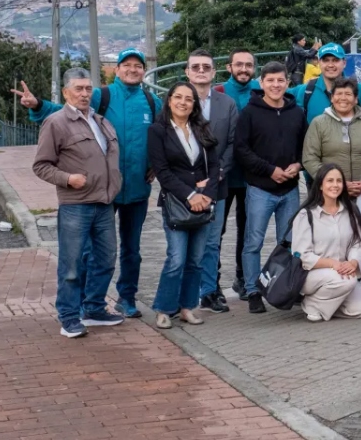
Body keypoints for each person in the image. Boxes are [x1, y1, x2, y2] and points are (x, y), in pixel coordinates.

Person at [15, 48, 160, 319]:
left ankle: (126, 297)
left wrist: (157, 165)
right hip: (99, 192)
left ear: (144, 71)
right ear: (116, 70)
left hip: (138, 189)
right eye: (126, 64)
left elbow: (164, 135)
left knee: (132, 249)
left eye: (138, 65)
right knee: (92, 251)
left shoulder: (152, 102)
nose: (132, 69)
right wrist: (37, 106)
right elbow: (66, 112)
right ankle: (81, 301)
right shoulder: (100, 95)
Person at [31, 68, 125, 338]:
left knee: (106, 259)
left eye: (88, 89)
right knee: (72, 265)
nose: (85, 94)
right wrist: (67, 178)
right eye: (79, 89)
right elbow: (40, 166)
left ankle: (94, 308)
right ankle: (69, 317)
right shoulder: (56, 123)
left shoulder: (100, 121)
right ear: (66, 92)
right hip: (76, 205)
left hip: (104, 203)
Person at [302, 76, 361, 290]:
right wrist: (333, 184)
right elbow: (310, 158)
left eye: (348, 94)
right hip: (333, 194)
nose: (343, 98)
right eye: (338, 94)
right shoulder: (319, 123)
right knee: (342, 239)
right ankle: (348, 281)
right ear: (331, 98)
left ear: (356, 98)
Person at [235, 62, 307, 313]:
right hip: (259, 189)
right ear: (261, 83)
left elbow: (303, 147)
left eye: (280, 80)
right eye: (270, 80)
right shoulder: (249, 113)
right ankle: (253, 290)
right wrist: (269, 170)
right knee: (253, 242)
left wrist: (298, 165)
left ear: (287, 83)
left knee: (288, 242)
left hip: (289, 189)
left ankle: (285, 286)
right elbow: (241, 150)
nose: (276, 85)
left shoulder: (297, 113)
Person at [147, 81, 219, 329]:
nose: (183, 102)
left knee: (196, 260)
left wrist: (207, 194)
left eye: (189, 99)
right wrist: (191, 193)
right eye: (178, 97)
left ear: (194, 104)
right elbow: (163, 172)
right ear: (169, 100)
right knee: (176, 259)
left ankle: (188, 307)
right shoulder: (158, 131)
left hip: (204, 202)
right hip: (177, 203)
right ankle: (164, 308)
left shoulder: (202, 128)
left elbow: (216, 165)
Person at [183, 50, 237, 314]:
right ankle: (184, 295)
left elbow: (233, 142)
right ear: (187, 72)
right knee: (184, 242)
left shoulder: (226, 104)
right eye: (196, 67)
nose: (201, 71)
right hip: (185, 186)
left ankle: (209, 291)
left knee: (212, 241)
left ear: (214, 72)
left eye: (206, 67)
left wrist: (219, 171)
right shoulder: (176, 100)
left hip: (217, 183)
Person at [290, 163, 361, 322]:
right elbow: (302, 255)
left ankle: (325, 307)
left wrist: (353, 262)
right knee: (346, 281)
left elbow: (359, 243)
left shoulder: (351, 211)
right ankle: (311, 304)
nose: (335, 185)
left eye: (339, 181)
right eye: (330, 181)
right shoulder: (305, 215)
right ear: (320, 185)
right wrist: (333, 264)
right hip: (311, 274)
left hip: (342, 273)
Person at [218, 49, 260, 299]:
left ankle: (243, 278)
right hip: (223, 175)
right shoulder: (219, 92)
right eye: (239, 65)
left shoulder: (260, 91)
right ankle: (211, 283)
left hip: (251, 176)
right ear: (229, 67)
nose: (244, 69)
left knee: (248, 231)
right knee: (216, 232)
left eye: (249, 65)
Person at [293, 42, 361, 125]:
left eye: (335, 60)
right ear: (319, 63)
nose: (330, 65)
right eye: (326, 60)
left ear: (344, 63)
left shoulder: (359, 90)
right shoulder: (305, 91)